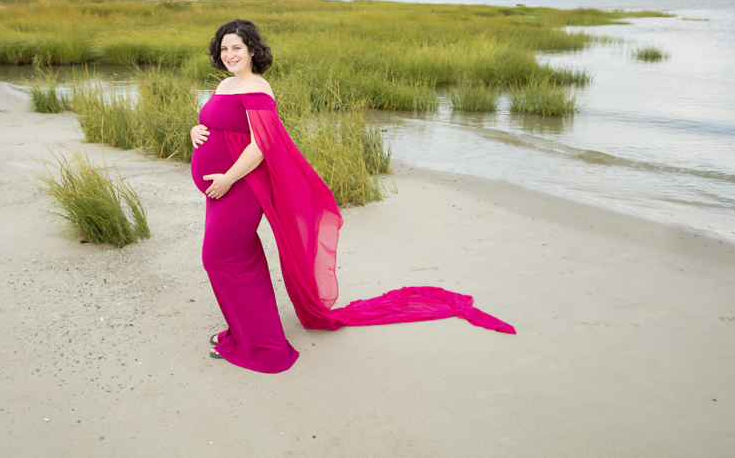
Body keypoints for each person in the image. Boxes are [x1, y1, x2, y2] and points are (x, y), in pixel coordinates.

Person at [190, 19, 514, 374]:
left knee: (221, 260)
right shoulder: (226, 84)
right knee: (237, 261)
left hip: (240, 188)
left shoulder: (257, 86)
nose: (229, 54)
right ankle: (244, 331)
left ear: (252, 50)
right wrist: (197, 130)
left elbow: (263, 144)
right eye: (224, 48)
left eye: (237, 47)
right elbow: (220, 123)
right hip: (220, 190)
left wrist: (227, 178)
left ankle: (263, 346)